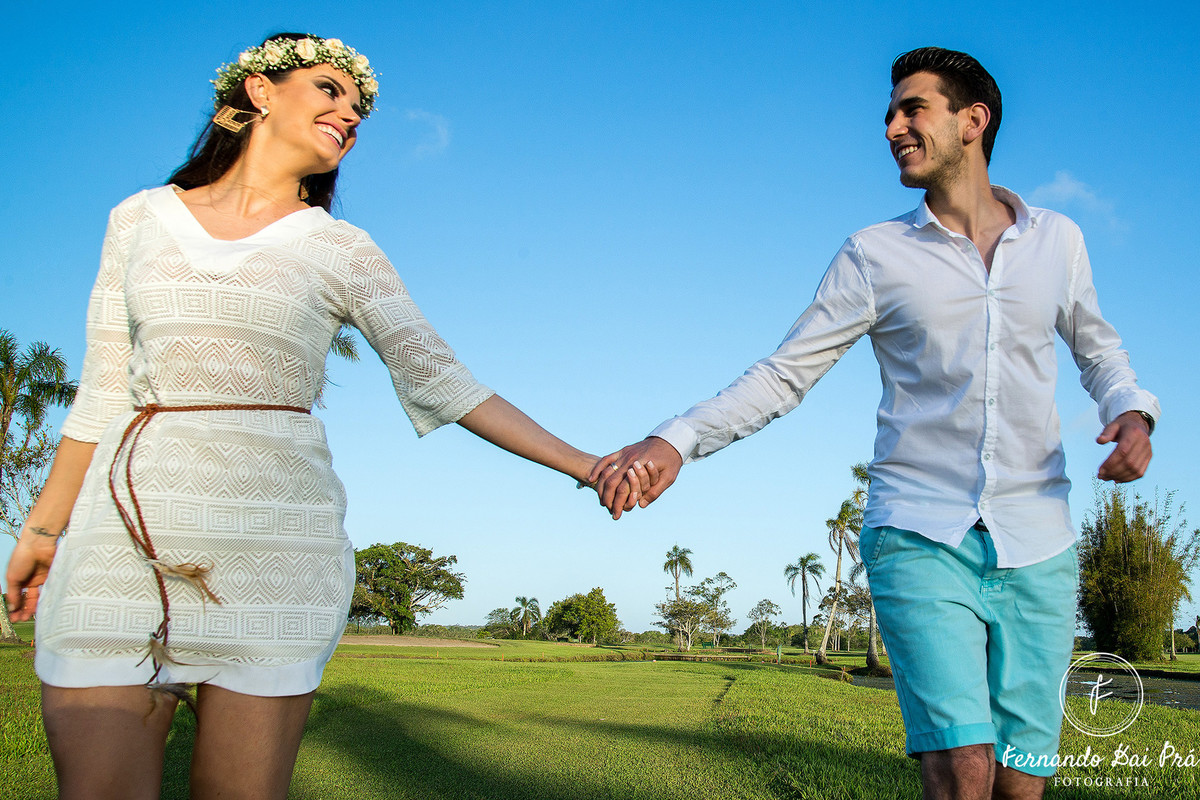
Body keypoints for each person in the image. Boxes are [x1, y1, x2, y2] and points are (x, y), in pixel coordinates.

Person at [4, 33, 649, 800]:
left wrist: (589, 466)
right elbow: (105, 389)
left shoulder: (342, 248)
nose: (351, 114)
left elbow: (443, 380)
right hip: (123, 537)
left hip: (275, 545)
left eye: (359, 107)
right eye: (330, 90)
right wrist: (42, 531)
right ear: (260, 91)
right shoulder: (138, 219)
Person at [591, 46, 1158, 800]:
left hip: (1039, 538)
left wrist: (1131, 413)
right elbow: (785, 374)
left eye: (911, 109)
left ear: (973, 121)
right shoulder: (874, 255)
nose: (892, 127)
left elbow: (1100, 350)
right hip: (918, 531)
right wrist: (677, 438)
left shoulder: (1058, 240)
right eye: (889, 114)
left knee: (1021, 780)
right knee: (962, 765)